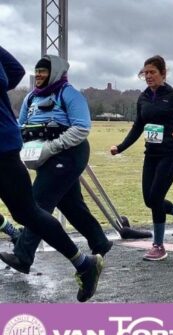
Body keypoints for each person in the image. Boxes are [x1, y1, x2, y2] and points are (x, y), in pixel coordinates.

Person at [0, 45, 102, 302]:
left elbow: (81, 128)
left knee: (35, 206)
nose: (40, 75)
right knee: (46, 207)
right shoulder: (32, 97)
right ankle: (90, 255)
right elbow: (14, 72)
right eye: (39, 72)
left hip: (61, 153)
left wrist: (50, 148)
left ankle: (29, 253)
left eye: (45, 71)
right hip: (23, 148)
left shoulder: (69, 94)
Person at [111, 55, 173, 261]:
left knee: (156, 198)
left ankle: (158, 245)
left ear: (163, 74)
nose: (148, 76)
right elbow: (138, 126)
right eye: (145, 73)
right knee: (149, 200)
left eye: (152, 72)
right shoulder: (143, 97)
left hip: (171, 153)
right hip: (151, 154)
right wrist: (121, 147)